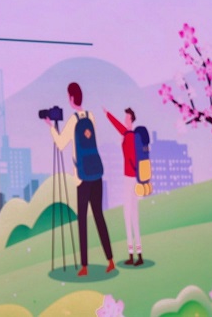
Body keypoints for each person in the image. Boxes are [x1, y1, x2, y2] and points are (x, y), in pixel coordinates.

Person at [47, 82, 115, 276]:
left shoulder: (73, 121)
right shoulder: (90, 116)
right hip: (96, 173)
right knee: (99, 216)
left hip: (82, 177)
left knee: (82, 220)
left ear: (71, 98)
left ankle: (85, 266)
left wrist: (51, 127)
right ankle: (110, 260)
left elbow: (61, 144)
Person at [104, 106, 144, 266]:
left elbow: (131, 157)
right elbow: (118, 125)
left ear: (131, 119)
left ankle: (132, 254)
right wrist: (108, 114)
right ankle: (138, 254)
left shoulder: (129, 136)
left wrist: (108, 114)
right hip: (135, 178)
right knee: (134, 215)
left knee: (128, 214)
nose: (125, 119)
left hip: (129, 178)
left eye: (127, 117)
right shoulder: (131, 135)